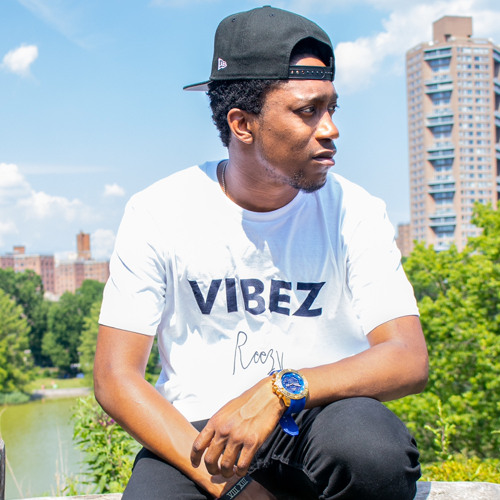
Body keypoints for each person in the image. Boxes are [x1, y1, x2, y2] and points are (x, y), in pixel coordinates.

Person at [94, 6, 428, 500]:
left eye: (332, 109)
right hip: (201, 436)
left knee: (373, 452)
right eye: (308, 111)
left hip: (317, 419)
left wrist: (280, 388)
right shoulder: (159, 211)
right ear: (243, 124)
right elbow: (115, 377)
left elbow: (407, 358)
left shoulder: (354, 211)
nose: (331, 129)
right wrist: (233, 487)